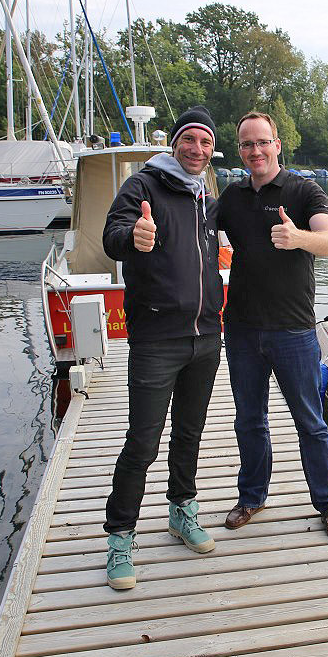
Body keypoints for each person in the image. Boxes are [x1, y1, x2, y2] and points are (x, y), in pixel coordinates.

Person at [100, 106, 225, 590]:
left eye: (205, 142)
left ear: (212, 151)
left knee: (189, 434)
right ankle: (120, 537)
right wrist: (134, 235)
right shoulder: (143, 186)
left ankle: (181, 510)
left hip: (206, 337)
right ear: (174, 143)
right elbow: (112, 239)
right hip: (156, 338)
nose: (196, 149)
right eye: (189, 140)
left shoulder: (205, 199)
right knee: (143, 443)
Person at [218, 111, 328, 540]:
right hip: (241, 331)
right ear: (240, 151)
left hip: (293, 331)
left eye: (262, 142)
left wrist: (299, 239)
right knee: (249, 420)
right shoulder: (232, 197)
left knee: (311, 422)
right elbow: (193, 229)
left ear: (277, 145)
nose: (255, 151)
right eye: (247, 144)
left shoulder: (304, 190)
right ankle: (252, 497)